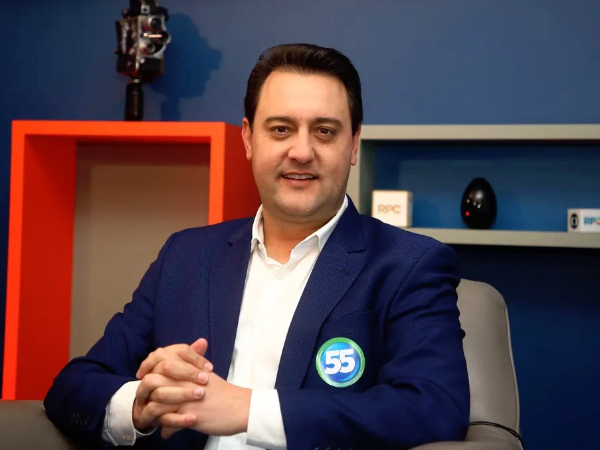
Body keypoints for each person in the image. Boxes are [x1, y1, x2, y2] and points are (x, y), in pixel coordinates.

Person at [44, 43, 469, 450]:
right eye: (281, 129)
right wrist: (144, 403)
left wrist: (247, 409)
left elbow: (434, 407)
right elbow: (76, 384)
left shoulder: (409, 265)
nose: (301, 151)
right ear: (248, 139)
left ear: (353, 143)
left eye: (324, 131)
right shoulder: (185, 255)